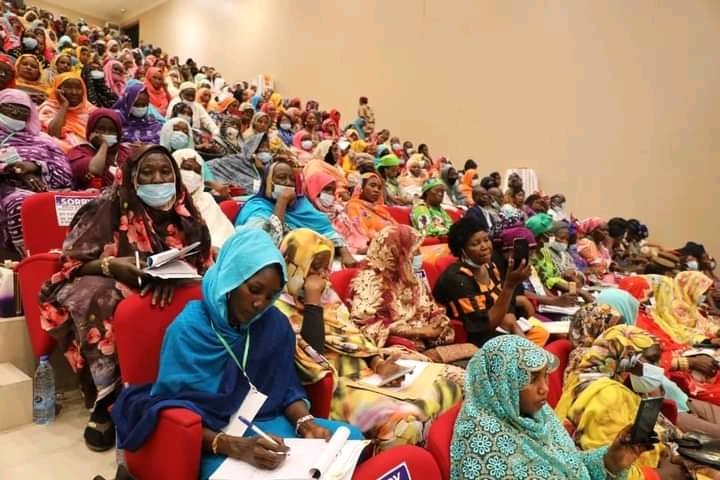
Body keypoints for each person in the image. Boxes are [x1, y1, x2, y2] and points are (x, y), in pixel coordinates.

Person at [111, 228, 362, 479]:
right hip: (215, 442)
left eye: (270, 295)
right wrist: (235, 446)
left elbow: (287, 388)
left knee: (352, 441)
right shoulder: (189, 330)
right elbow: (174, 415)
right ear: (230, 278)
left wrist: (305, 424)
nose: (260, 304)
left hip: (273, 426)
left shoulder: (273, 323)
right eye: (254, 289)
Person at [39, 145, 213, 451]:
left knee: (197, 296)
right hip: (107, 280)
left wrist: (173, 274)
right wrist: (111, 266)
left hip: (167, 283)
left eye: (165, 172)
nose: (158, 180)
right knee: (100, 296)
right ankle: (108, 399)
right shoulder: (107, 206)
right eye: (147, 172)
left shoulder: (186, 213)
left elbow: (203, 263)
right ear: (131, 175)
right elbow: (71, 262)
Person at [275, 228, 462, 450]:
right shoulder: (279, 310)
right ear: (294, 266)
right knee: (404, 424)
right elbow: (312, 358)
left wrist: (378, 363)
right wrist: (312, 304)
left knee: (450, 388)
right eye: (315, 268)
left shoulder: (329, 297)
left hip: (367, 375)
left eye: (326, 268)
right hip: (335, 385)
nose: (324, 276)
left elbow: (354, 337)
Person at [451, 334, 650, 480]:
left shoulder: (538, 415)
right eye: (532, 379)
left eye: (545, 375)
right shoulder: (483, 448)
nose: (544, 388)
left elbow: (569, 466)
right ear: (502, 384)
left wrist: (610, 462)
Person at [555, 326, 694, 480]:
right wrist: (664, 474)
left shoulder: (594, 381)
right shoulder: (607, 397)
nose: (659, 368)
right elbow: (609, 466)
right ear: (625, 360)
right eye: (652, 360)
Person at [433, 217, 550, 347]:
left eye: (486, 240)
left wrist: (513, 324)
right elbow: (483, 327)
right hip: (474, 339)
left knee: (540, 332)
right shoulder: (457, 279)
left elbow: (503, 301)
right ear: (462, 250)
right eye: (475, 244)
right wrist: (510, 286)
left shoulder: (490, 266)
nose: (484, 246)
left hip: (499, 326)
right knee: (524, 350)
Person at [235, 159, 357, 267]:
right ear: (268, 182)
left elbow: (326, 231)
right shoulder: (257, 207)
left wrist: (345, 253)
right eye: (281, 178)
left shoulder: (301, 205)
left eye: (292, 179)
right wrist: (282, 202)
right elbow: (264, 242)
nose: (288, 183)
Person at [0, 88, 71, 258]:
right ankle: (32, 257)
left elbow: (65, 173)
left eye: (23, 112)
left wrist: (35, 166)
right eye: (10, 109)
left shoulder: (43, 140)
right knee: (22, 202)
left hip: (45, 188)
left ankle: (67, 256)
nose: (16, 114)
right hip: (6, 190)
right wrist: (12, 169)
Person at [67, 108, 132, 190]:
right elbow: (95, 170)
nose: (106, 133)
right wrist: (104, 145)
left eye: (112, 130)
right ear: (91, 130)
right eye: (101, 129)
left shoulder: (126, 153)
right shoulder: (79, 153)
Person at [304, 172, 368, 254]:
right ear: (314, 189)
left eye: (333, 190)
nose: (330, 193)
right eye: (326, 189)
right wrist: (355, 251)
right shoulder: (308, 215)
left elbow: (354, 234)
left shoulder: (338, 210)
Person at [38, 71, 95, 153]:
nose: (74, 92)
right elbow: (54, 133)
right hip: (59, 153)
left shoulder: (90, 110)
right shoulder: (47, 108)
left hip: (87, 152)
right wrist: (64, 106)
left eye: (78, 88)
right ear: (58, 90)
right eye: (69, 88)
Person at [345, 171, 398, 250]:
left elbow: (396, 226)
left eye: (379, 188)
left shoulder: (379, 209)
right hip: (378, 246)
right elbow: (361, 233)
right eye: (372, 186)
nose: (376, 190)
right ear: (361, 187)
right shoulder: (353, 206)